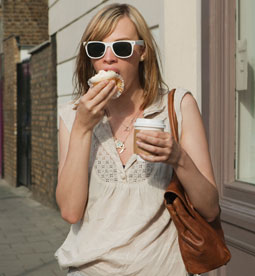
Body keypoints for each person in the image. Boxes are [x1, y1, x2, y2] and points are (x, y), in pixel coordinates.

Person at [54, 4, 220, 276]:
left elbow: (210, 208)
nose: (108, 59)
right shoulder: (73, 117)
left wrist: (178, 157)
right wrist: (83, 129)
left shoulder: (177, 107)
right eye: (97, 49)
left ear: (142, 52)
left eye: (121, 48)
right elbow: (71, 212)